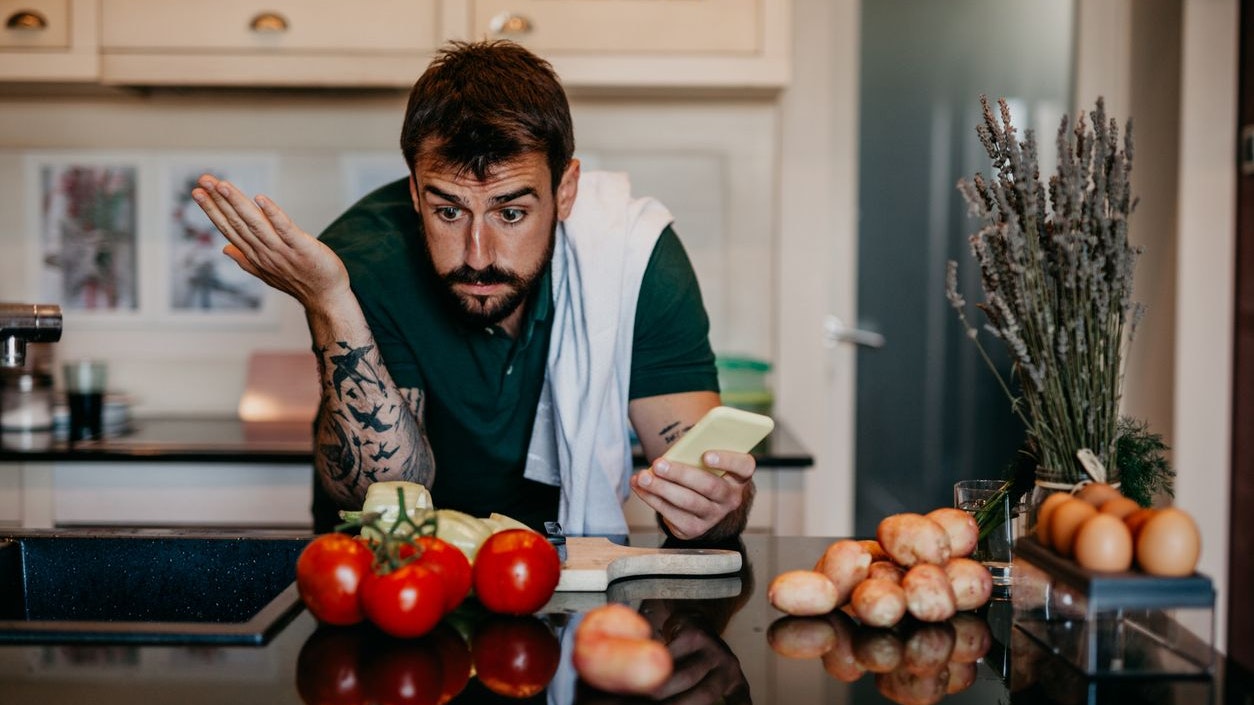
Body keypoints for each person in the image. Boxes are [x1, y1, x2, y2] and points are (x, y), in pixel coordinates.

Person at [190, 40, 757, 540]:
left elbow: (702, 473)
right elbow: (380, 497)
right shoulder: (361, 261)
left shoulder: (637, 259)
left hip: (560, 573)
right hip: (394, 578)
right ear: (414, 194)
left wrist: (719, 505)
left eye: (511, 212)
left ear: (565, 191)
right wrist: (329, 302)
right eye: (448, 210)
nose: (478, 254)